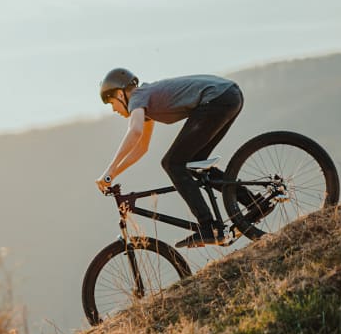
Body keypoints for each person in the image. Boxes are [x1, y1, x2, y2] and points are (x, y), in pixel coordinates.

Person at [94, 68, 259, 248]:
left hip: (217, 99)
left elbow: (135, 131)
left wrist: (108, 172)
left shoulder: (137, 97)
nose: (113, 109)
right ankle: (253, 202)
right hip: (228, 96)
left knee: (173, 164)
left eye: (111, 103)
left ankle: (208, 227)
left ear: (119, 94)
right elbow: (141, 147)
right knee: (192, 164)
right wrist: (113, 174)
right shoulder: (144, 102)